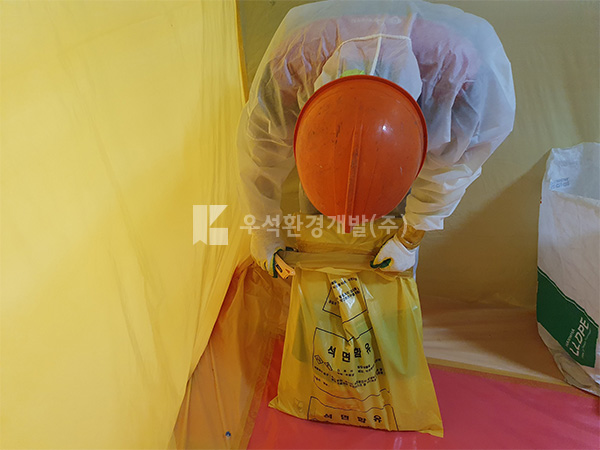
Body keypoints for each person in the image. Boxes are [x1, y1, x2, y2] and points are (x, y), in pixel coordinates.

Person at [237, 0, 516, 277]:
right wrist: (264, 232)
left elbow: (452, 169)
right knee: (322, 235)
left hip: (436, 81)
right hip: (316, 95)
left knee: (387, 242)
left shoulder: (460, 71)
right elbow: (260, 151)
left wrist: (407, 241)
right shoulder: (296, 58)